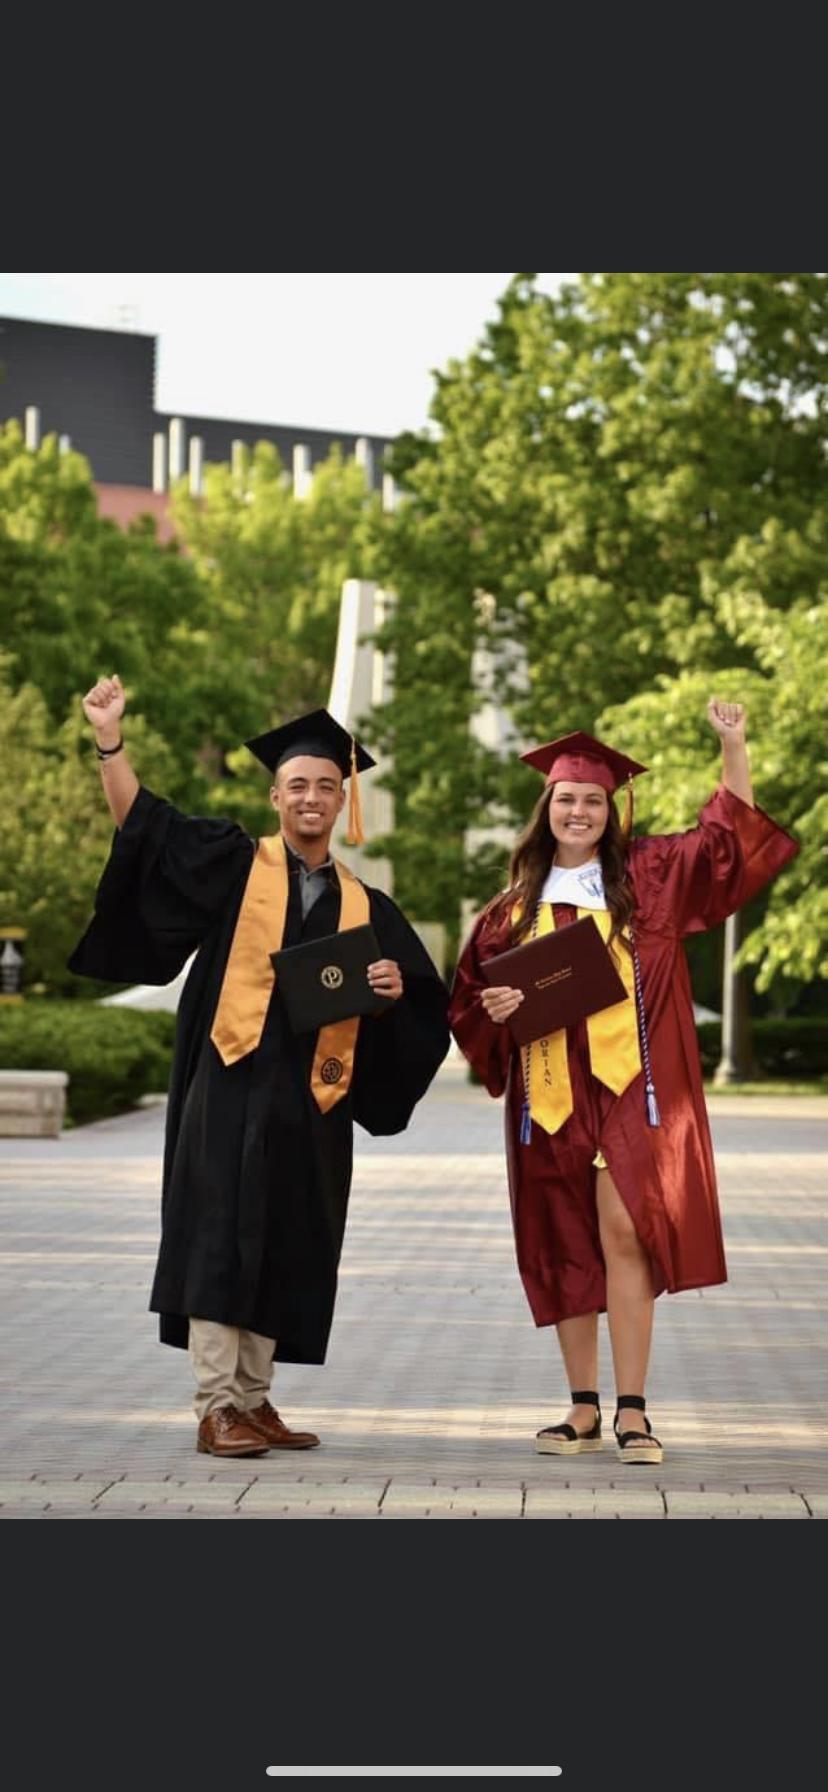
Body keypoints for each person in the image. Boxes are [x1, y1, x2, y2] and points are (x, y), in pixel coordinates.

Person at [70, 676, 450, 1457]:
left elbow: (421, 1008)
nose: (312, 797)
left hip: (310, 1103)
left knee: (287, 1236)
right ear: (276, 796)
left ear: (343, 801)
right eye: (298, 785)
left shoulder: (368, 907)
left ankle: (253, 1399)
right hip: (228, 1087)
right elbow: (142, 823)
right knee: (217, 1234)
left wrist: (391, 993)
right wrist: (110, 740)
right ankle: (216, 1405)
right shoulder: (233, 864)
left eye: (326, 786)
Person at [448, 702, 798, 1463]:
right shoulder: (510, 912)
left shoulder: (650, 878)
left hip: (634, 1089)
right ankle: (581, 1407)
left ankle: (632, 1408)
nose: (579, 811)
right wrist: (495, 1010)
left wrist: (734, 745)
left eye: (593, 800)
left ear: (612, 811)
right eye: (566, 798)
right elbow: (471, 1005)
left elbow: (726, 844)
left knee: (626, 1231)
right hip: (550, 1095)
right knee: (565, 1239)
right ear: (546, 808)